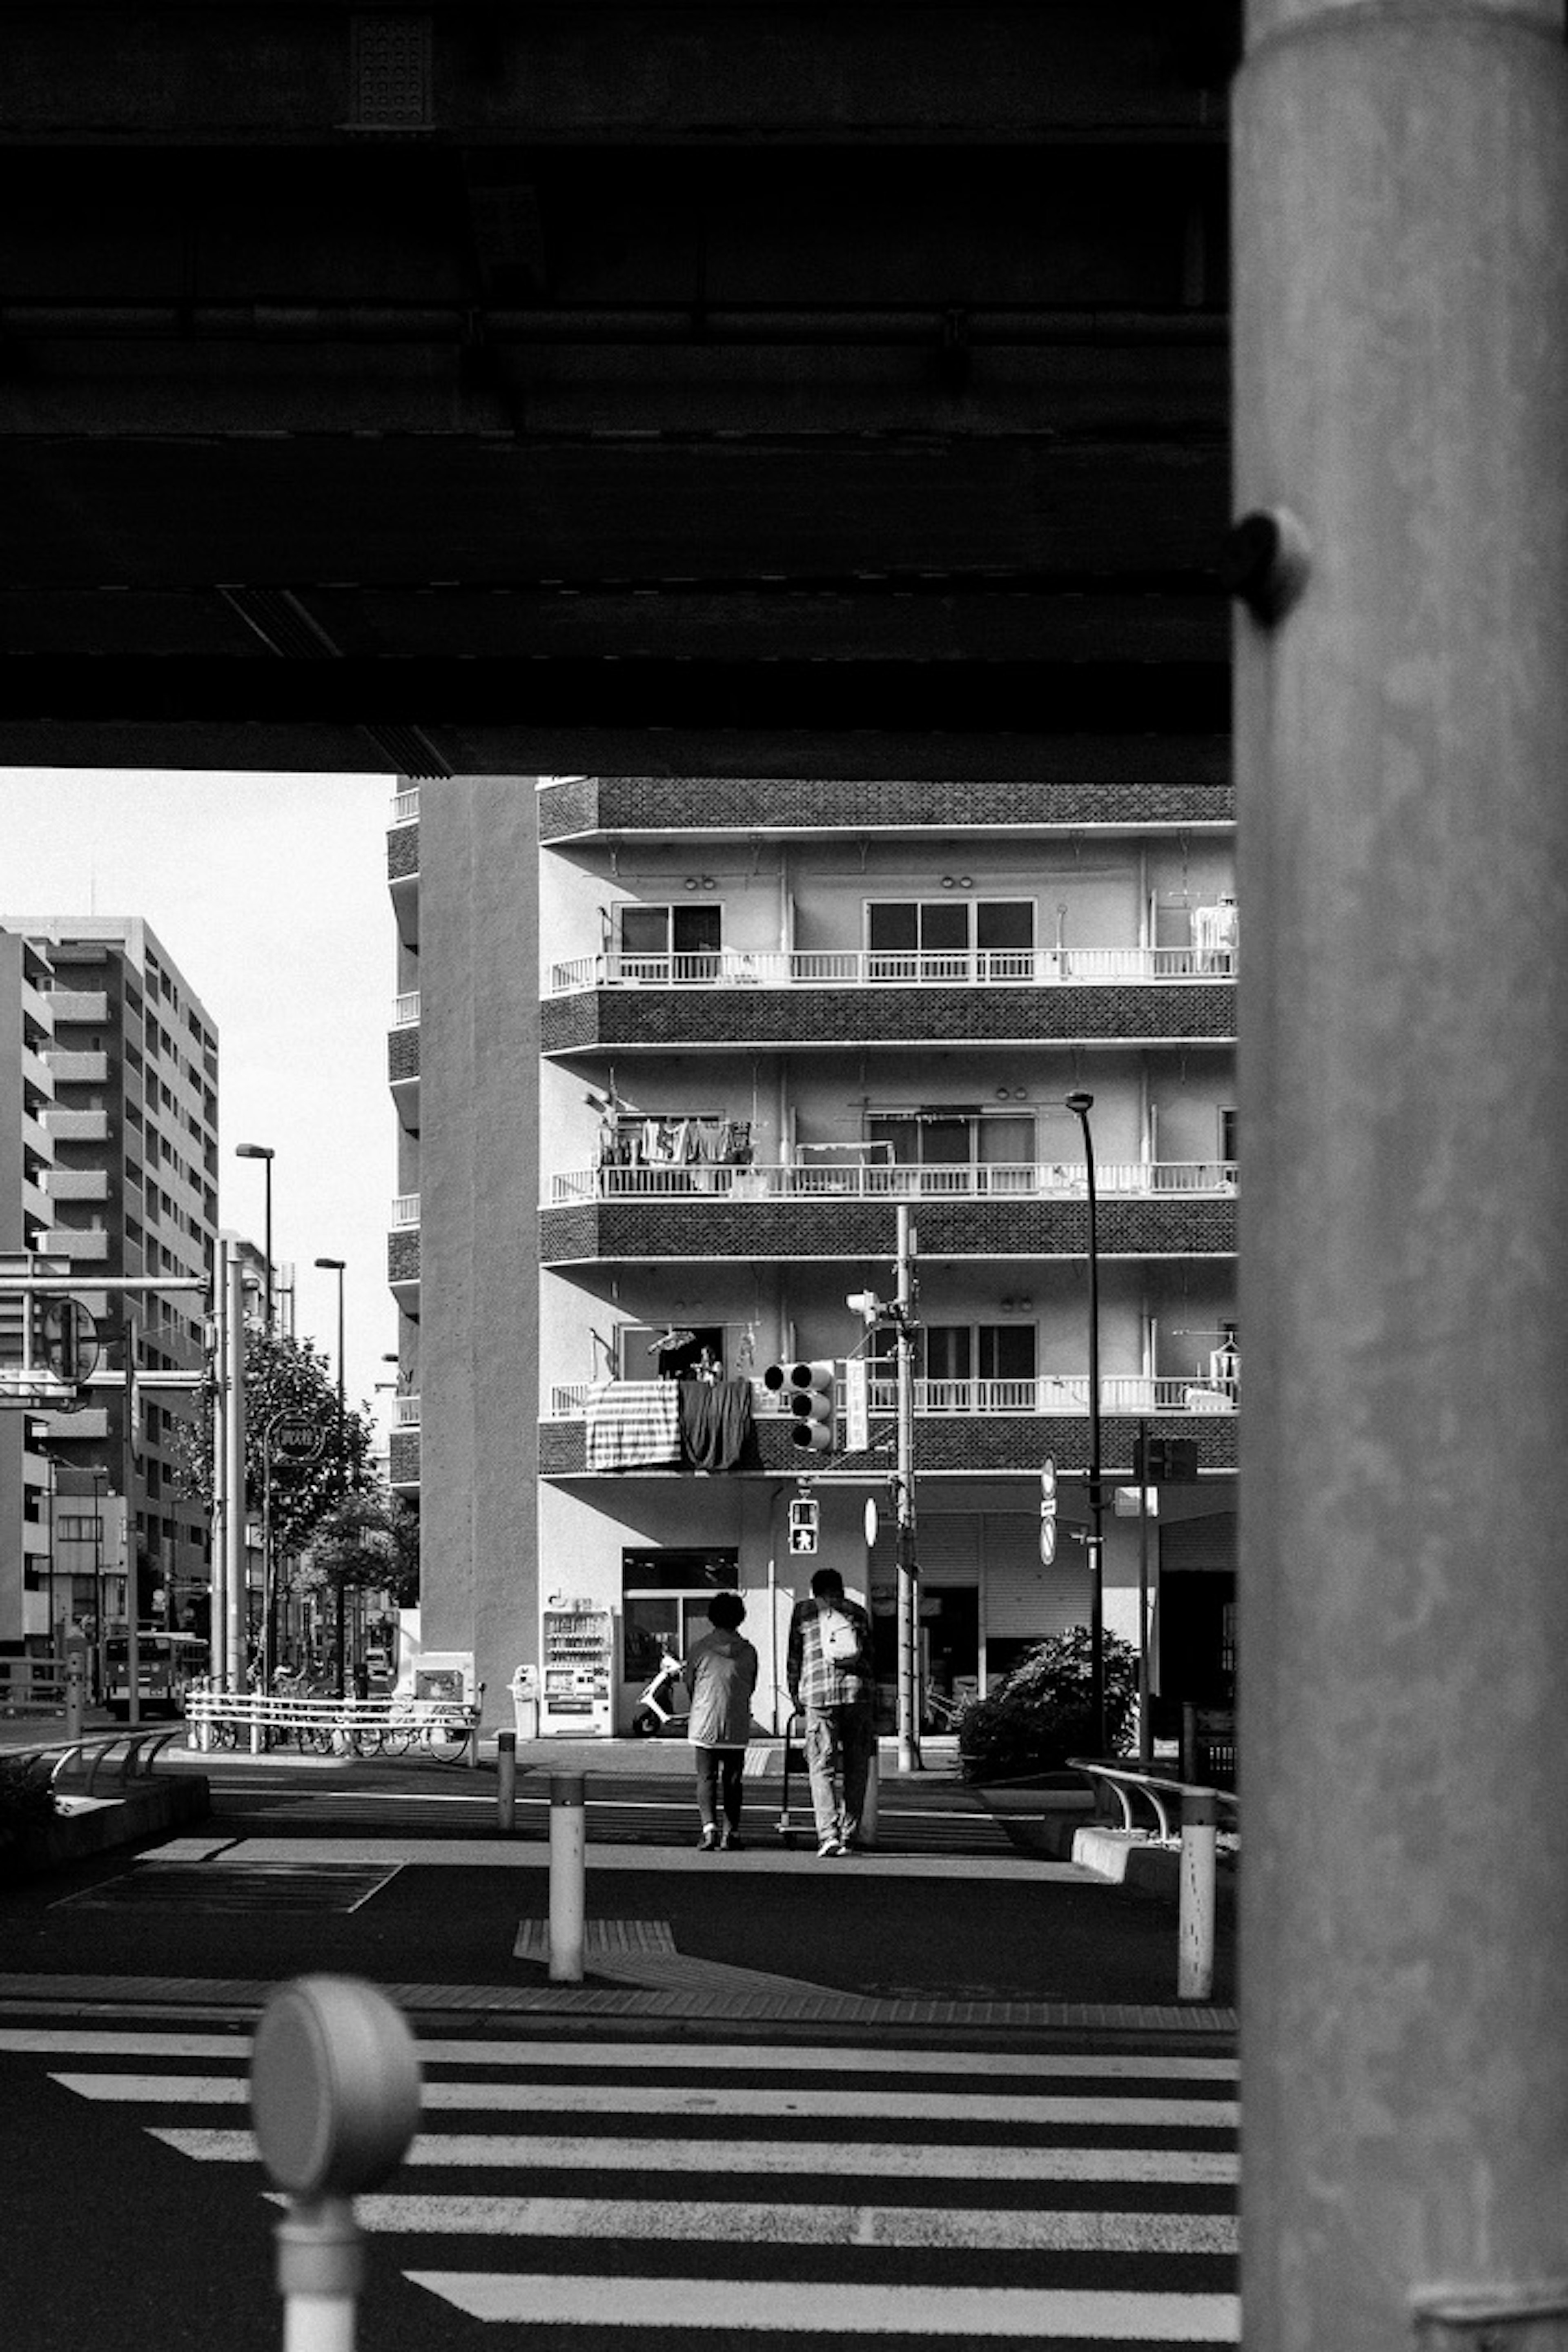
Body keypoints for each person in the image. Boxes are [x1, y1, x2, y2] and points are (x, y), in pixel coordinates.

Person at [787, 1566, 875, 1857]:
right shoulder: (858, 1612)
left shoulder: (803, 1612)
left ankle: (828, 1835)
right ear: (842, 1588)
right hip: (857, 1695)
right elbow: (871, 1657)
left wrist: (795, 1696)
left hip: (819, 1695)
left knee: (821, 1765)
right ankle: (849, 1833)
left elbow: (794, 1657)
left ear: (815, 1591)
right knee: (856, 1766)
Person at [683, 1590, 759, 1851]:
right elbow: (751, 1685)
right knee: (734, 1779)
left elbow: (690, 1684)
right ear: (741, 1618)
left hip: (704, 1721)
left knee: (706, 1777)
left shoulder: (700, 1648)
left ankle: (709, 1830)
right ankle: (731, 1833)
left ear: (712, 1617)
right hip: (736, 1722)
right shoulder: (749, 1651)